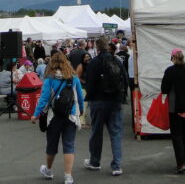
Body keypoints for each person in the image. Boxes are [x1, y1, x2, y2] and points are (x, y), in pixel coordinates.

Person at [31, 52, 84, 184]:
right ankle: (68, 176)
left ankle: (48, 170)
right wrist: (81, 111)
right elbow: (80, 97)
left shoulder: (49, 79)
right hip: (70, 115)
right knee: (69, 146)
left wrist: (35, 114)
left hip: (53, 116)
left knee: (52, 145)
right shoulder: (73, 78)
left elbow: (43, 99)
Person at [84, 36, 128, 176]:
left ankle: (95, 161)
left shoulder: (94, 63)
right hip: (115, 100)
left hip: (98, 100)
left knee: (96, 132)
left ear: (97, 48)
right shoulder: (117, 61)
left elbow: (89, 84)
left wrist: (90, 96)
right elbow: (125, 80)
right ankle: (116, 165)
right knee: (115, 133)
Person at [160, 48, 185, 174]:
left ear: (172, 58)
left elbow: (164, 89)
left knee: (177, 136)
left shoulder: (170, 71)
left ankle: (180, 164)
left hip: (175, 108)